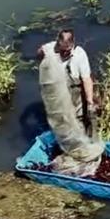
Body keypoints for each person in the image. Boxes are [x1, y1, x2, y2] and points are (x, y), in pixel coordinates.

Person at [37, 28, 103, 176]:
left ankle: (81, 154)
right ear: (58, 43)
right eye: (62, 50)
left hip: (75, 93)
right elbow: (39, 52)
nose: (65, 53)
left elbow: (86, 79)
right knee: (61, 123)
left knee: (79, 122)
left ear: (73, 44)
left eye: (68, 50)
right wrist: (41, 54)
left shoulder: (79, 54)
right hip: (58, 92)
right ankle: (69, 151)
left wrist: (90, 101)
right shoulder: (50, 48)